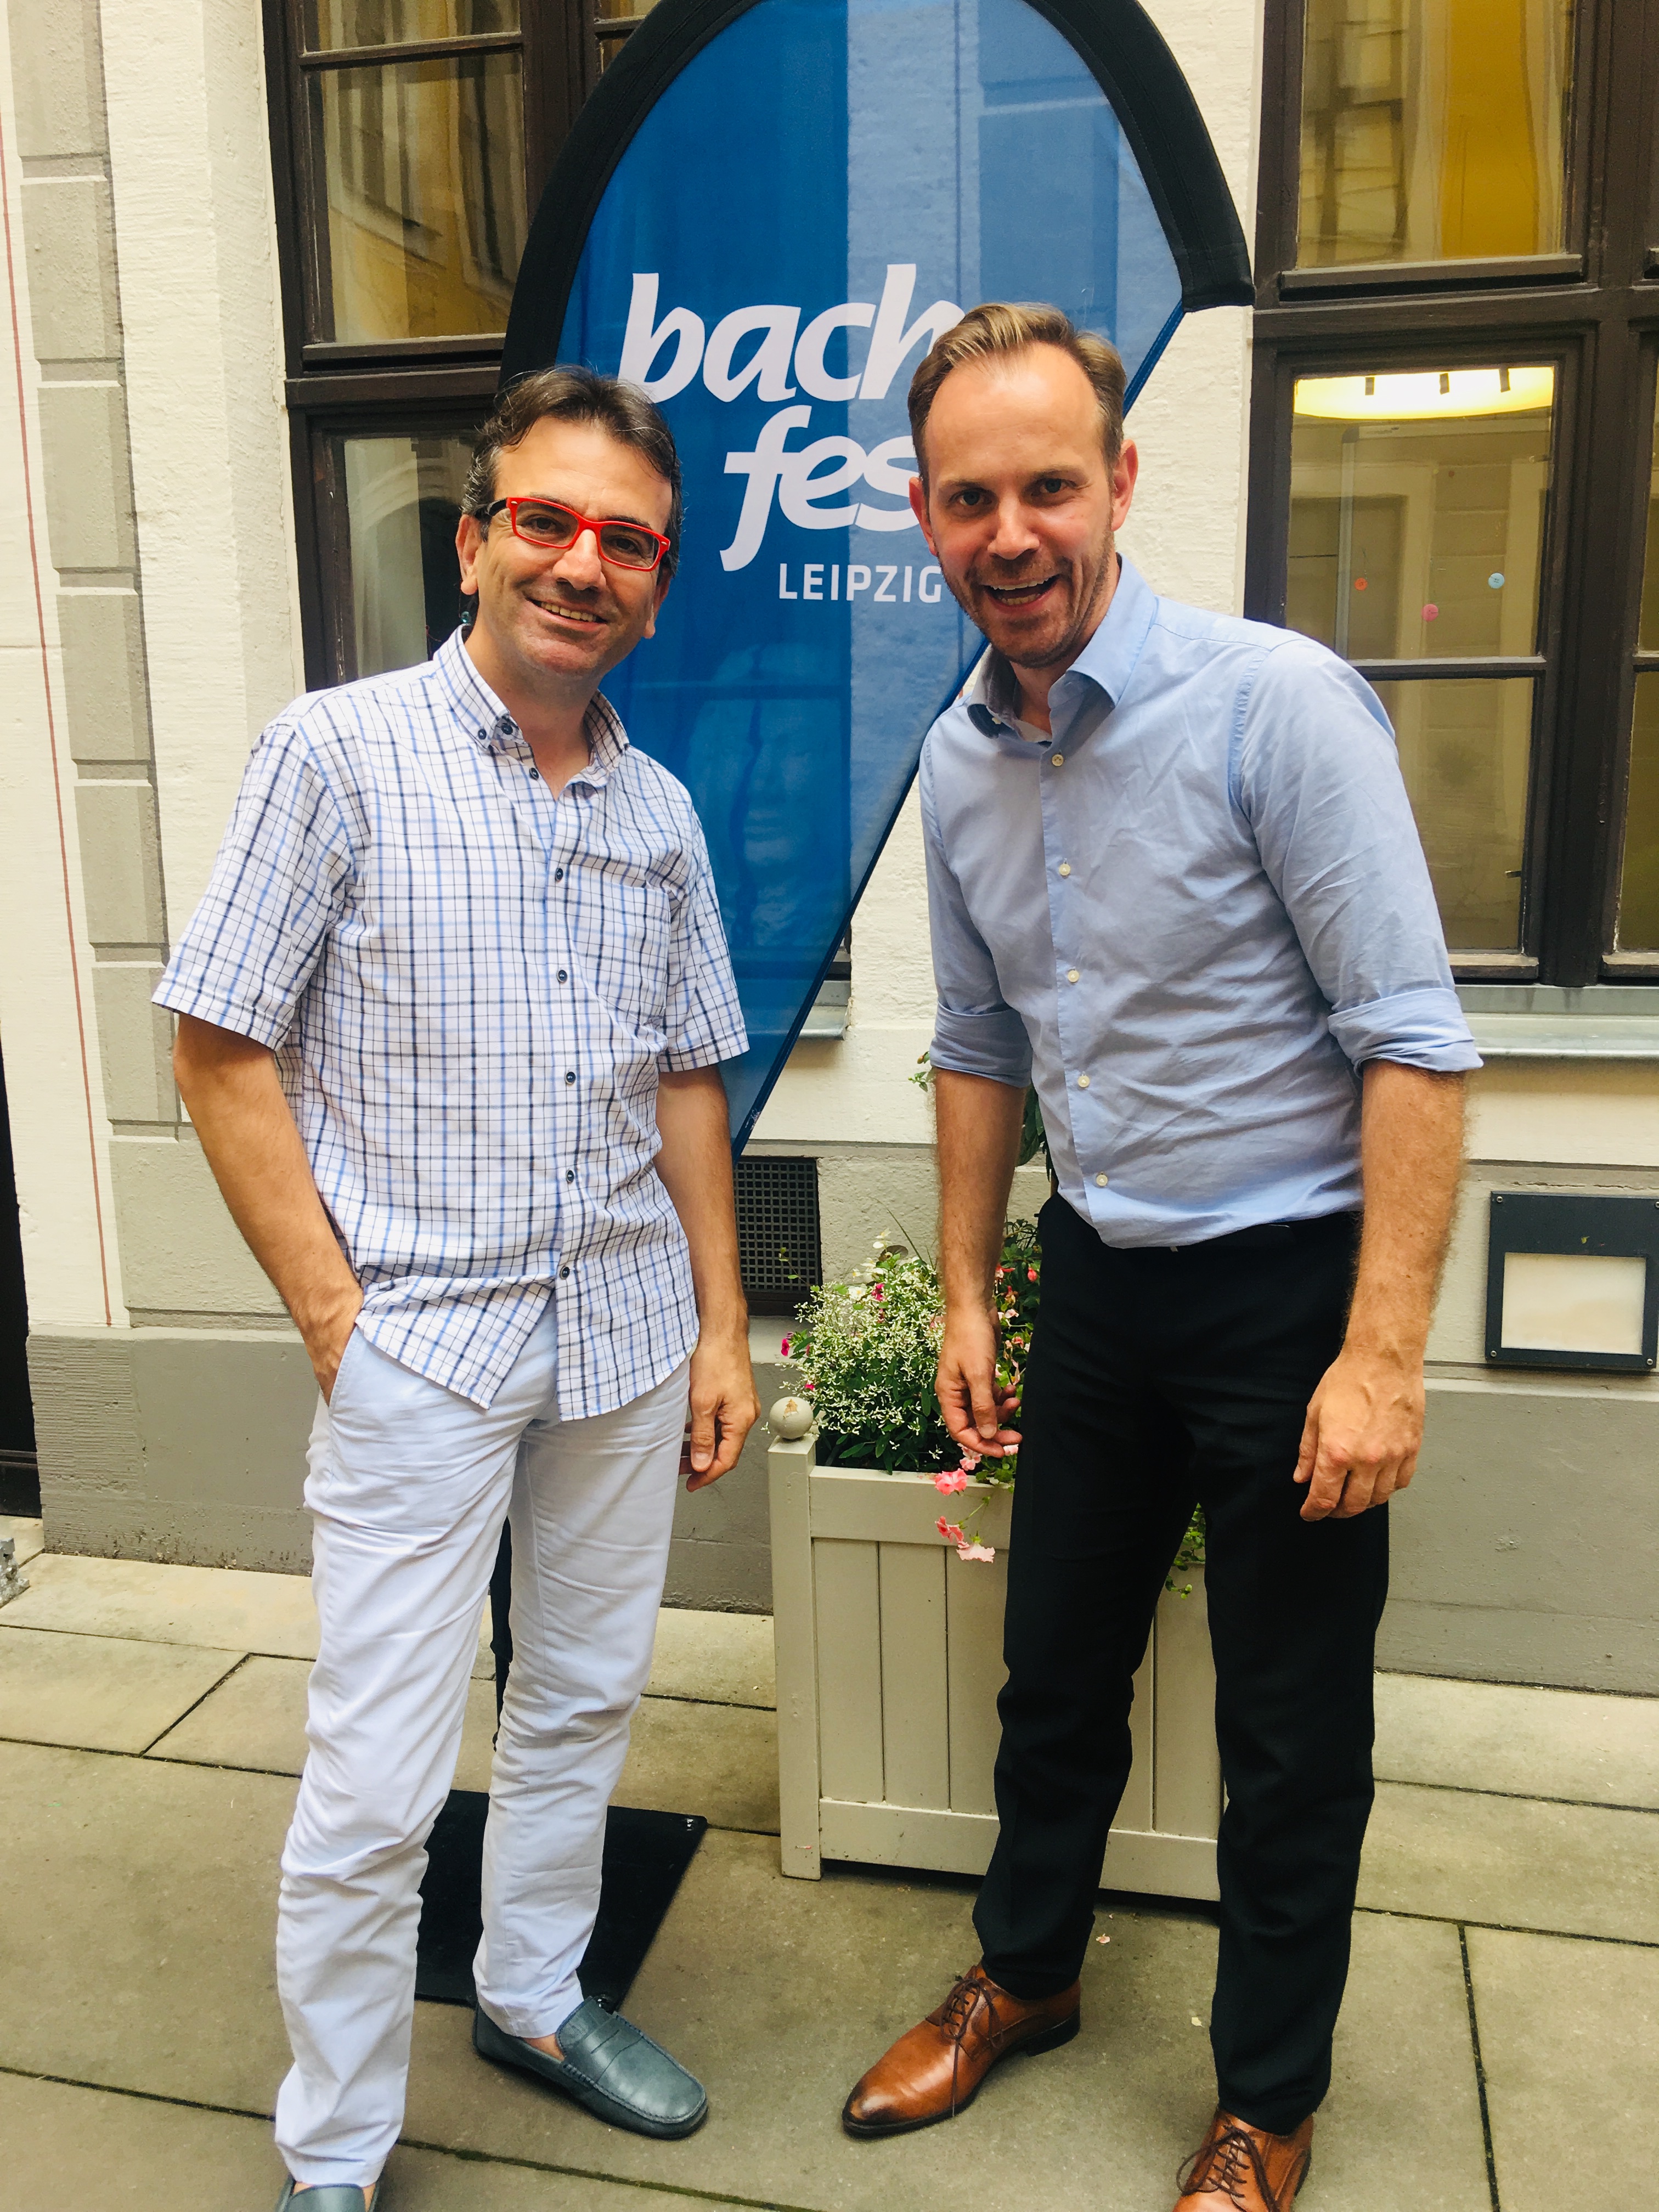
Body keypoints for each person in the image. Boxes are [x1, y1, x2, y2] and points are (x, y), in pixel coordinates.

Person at [839, 305, 1477, 2211]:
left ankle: (1266, 2103)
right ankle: (1029, 1976)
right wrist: (971, 1291)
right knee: (1052, 1673)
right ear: (924, 515)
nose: (1012, 532)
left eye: (1049, 485)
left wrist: (1381, 1355)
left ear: (1121, 482)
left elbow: (1414, 1042)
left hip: (1289, 1293)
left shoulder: (1276, 707)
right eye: (970, 498)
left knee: (1291, 1735)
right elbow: (979, 1043)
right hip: (1103, 1279)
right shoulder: (959, 760)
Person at [159, 368, 758, 2211]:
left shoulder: (660, 811)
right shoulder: (334, 755)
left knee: (578, 1702)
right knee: (377, 1778)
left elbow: (687, 1077)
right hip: (419, 1348)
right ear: (478, 538)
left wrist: (722, 1325)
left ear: (658, 583)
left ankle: (534, 1996)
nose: (584, 563)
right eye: (548, 521)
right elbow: (218, 1047)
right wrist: (334, 1320)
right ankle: (336, 2148)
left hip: (624, 1338)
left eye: (627, 541)